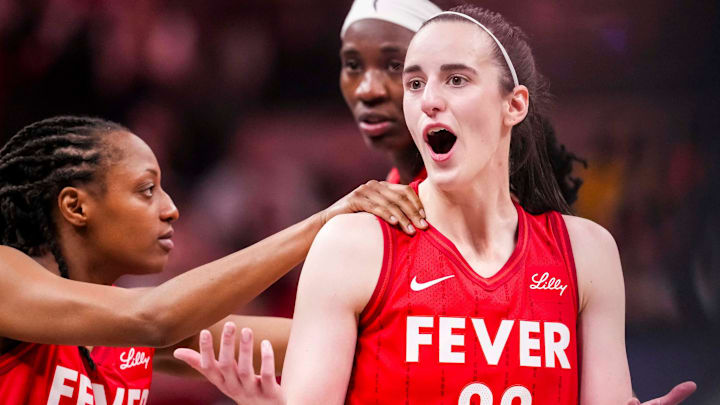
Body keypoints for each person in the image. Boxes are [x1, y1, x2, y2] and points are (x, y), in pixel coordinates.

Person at [178, 5, 696, 405]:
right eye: (416, 82)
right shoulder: (354, 244)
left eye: (455, 79)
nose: (427, 98)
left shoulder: (587, 252)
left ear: (514, 104)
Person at [0, 115, 427, 403]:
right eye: (147, 190)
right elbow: (154, 315)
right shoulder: (5, 275)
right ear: (76, 206)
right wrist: (323, 223)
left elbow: (330, 343)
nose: (170, 209)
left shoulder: (126, 332)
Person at [339, 0, 584, 210]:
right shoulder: (376, 204)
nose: (368, 90)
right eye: (352, 65)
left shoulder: (514, 219)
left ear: (514, 104)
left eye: (395, 65)